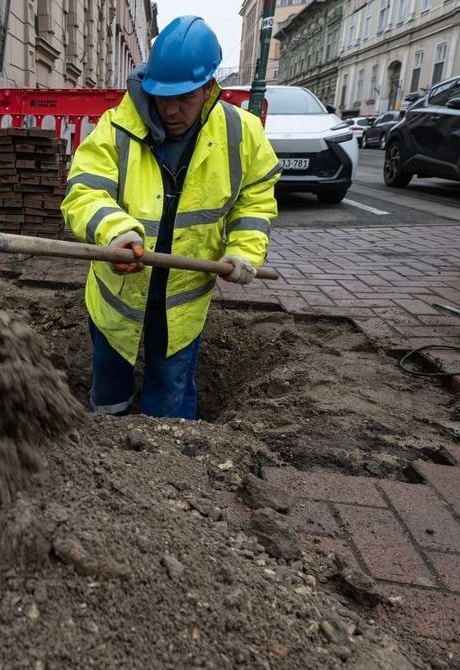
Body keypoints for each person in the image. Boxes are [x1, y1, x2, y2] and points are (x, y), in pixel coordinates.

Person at [61, 15, 281, 420]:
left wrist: (244, 251)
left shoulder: (242, 134)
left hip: (183, 297)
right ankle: (103, 445)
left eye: (185, 97)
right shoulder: (115, 128)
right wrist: (116, 233)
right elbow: (84, 191)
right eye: (164, 97)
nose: (172, 110)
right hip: (119, 293)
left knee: (171, 395)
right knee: (109, 388)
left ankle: (169, 464)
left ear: (209, 89)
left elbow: (255, 200)